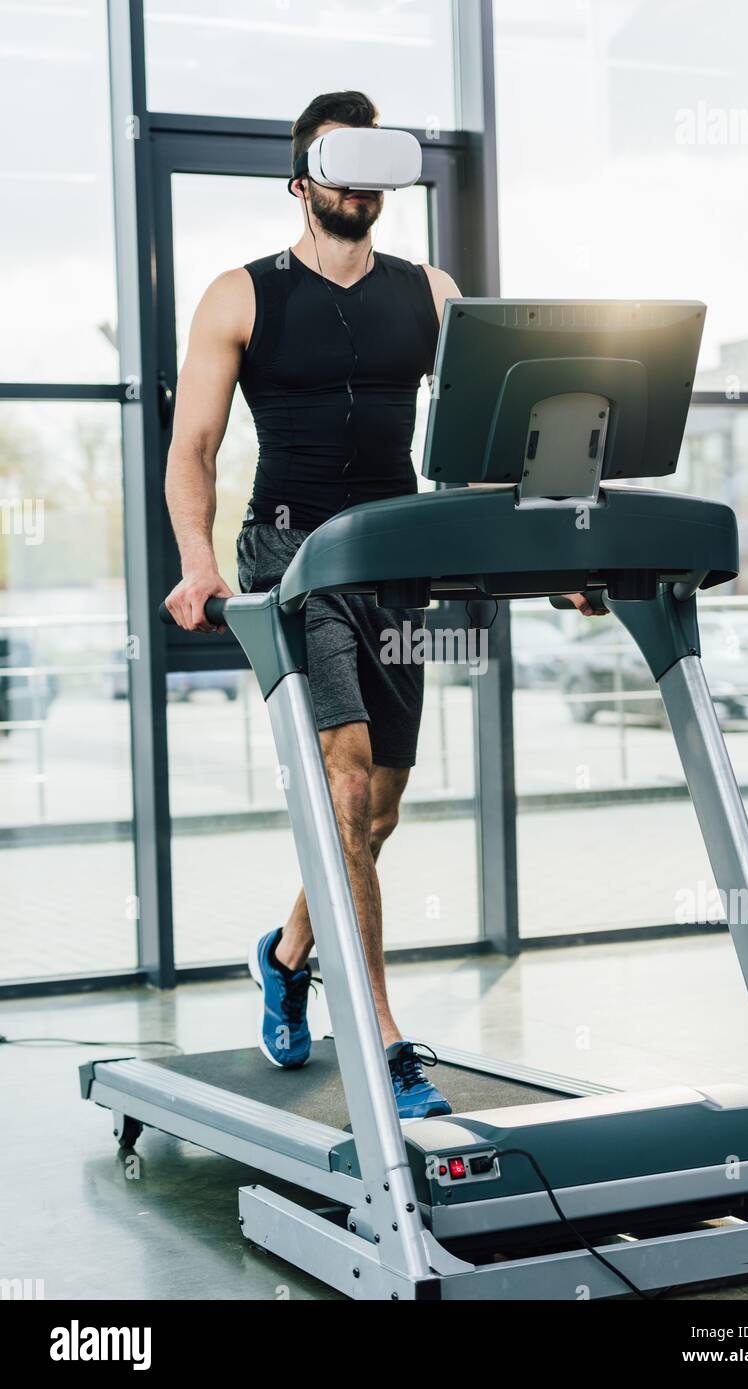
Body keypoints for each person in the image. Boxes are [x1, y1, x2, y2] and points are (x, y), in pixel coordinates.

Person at [164, 91, 462, 1118]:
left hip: (397, 560)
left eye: (375, 167)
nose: (359, 187)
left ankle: (287, 953)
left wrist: (550, 552)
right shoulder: (239, 295)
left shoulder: (430, 292)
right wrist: (199, 563)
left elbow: (471, 446)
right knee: (342, 794)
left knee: (373, 814)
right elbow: (192, 452)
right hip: (290, 560)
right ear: (302, 181)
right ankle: (379, 1042)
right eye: (340, 166)